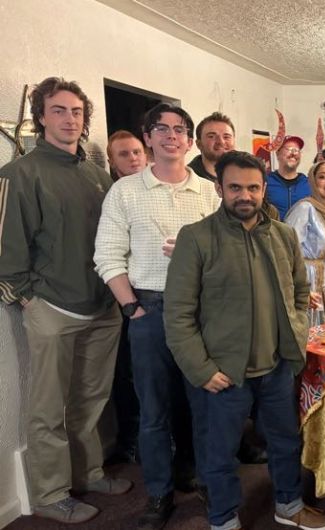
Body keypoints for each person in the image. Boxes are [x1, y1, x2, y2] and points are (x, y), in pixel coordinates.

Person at [164, 150, 325, 530]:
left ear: (263, 189)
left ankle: (289, 506)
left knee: (286, 443)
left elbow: (301, 294)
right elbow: (177, 315)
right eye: (236, 187)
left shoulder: (283, 235)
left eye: (254, 187)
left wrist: (295, 337)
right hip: (222, 374)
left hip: (276, 368)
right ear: (220, 188)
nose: (246, 195)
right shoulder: (196, 238)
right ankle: (223, 519)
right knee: (219, 453)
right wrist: (201, 368)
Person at [0, 77, 129, 524]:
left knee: (91, 399)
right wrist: (27, 299)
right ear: (40, 117)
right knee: (48, 407)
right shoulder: (19, 174)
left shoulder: (96, 175)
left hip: (102, 306)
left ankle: (88, 471)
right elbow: (6, 248)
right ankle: (51, 494)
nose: (69, 119)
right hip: (52, 307)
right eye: (58, 110)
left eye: (76, 111)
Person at [95, 103, 220, 529]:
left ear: (189, 140)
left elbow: (224, 256)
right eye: (161, 129)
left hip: (201, 311)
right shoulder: (125, 191)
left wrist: (198, 255)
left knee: (202, 404)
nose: (172, 136)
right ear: (147, 137)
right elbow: (107, 256)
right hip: (149, 308)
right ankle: (160, 493)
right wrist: (132, 307)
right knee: (154, 411)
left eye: (180, 130)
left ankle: (200, 476)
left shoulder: (208, 192)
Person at [103, 129, 147, 468]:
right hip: (122, 299)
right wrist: (129, 304)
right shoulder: (116, 195)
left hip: (152, 299)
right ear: (111, 162)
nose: (132, 159)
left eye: (136, 152)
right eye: (123, 154)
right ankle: (130, 438)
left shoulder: (155, 190)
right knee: (128, 374)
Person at [285, 160, 325, 296]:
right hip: (306, 282)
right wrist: (300, 289)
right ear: (313, 182)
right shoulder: (304, 209)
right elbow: (286, 251)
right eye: (322, 177)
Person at [267, 136, 310, 220]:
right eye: (289, 149)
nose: (293, 153)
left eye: (297, 150)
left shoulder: (308, 184)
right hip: (273, 232)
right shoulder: (266, 182)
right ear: (278, 153)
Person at [188, 111, 235, 182]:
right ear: (199, 144)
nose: (221, 142)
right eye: (211, 136)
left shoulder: (246, 174)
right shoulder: (187, 179)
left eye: (226, 137)